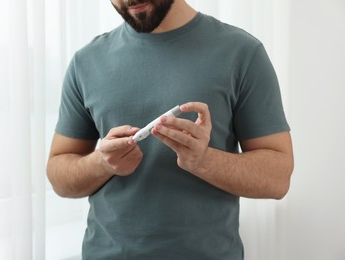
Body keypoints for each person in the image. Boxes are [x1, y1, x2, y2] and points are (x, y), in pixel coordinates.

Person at [46, 0, 294, 259]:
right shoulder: (86, 62)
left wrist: (203, 161)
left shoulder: (242, 53)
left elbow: (278, 179)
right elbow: (59, 177)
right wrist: (101, 163)